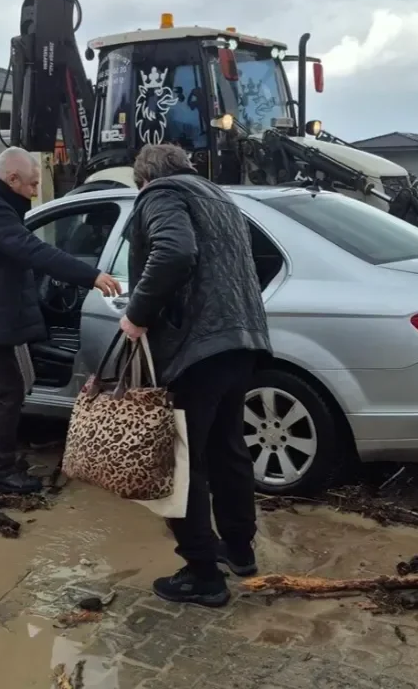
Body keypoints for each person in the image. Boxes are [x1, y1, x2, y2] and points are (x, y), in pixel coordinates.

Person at [119, 143, 271, 607]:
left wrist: (138, 314)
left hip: (194, 352)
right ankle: (239, 551)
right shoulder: (220, 198)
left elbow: (174, 253)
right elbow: (256, 261)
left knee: (183, 463)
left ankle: (203, 574)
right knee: (229, 449)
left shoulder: (159, 195)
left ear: (142, 179)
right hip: (240, 341)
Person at [0, 147, 121, 494]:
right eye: (33, 184)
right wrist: (91, 275)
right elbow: (33, 250)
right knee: (7, 392)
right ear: (12, 179)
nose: (36, 191)